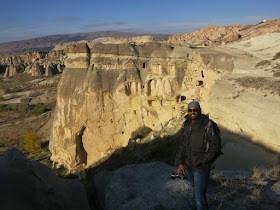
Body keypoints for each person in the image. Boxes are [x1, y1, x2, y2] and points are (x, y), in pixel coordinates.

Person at [176, 101, 222, 210]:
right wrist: (181, 163)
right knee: (195, 193)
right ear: (188, 111)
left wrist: (203, 161)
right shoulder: (186, 124)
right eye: (190, 110)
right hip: (188, 167)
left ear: (199, 110)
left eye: (195, 110)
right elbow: (183, 145)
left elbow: (216, 147)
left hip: (201, 168)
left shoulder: (208, 124)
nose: (192, 112)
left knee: (199, 197)